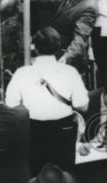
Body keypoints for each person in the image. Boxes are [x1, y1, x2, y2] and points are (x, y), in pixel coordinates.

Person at [5, 27, 89, 173]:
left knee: (38, 177)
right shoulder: (70, 72)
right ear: (58, 47)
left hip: (34, 131)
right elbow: (82, 106)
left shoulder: (22, 73)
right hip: (64, 131)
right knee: (64, 176)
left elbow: (11, 107)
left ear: (35, 47)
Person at [25, 0, 99, 69]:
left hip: (66, 58)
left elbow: (80, 38)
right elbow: (60, 4)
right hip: (55, 51)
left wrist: (67, 56)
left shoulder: (89, 7)